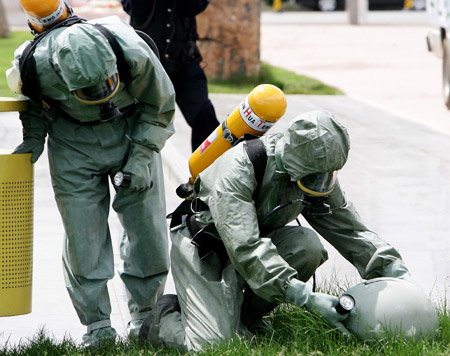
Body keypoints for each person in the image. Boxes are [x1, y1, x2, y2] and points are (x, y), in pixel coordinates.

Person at [138, 110, 413, 351]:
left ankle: (247, 317)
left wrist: (396, 274)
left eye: (328, 175)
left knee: (307, 246)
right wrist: (305, 297)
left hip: (253, 244)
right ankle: (162, 320)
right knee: (215, 346)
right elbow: (245, 247)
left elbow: (350, 230)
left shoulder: (314, 171)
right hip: (205, 247)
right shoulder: (239, 170)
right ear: (294, 164)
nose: (323, 182)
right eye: (317, 176)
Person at [7, 0, 176, 344]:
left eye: (108, 83)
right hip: (72, 144)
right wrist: (34, 138)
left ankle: (144, 316)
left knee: (147, 229)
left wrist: (142, 156)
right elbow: (36, 106)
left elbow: (160, 104)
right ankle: (97, 326)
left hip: (132, 132)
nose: (102, 95)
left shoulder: (128, 46)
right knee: (83, 238)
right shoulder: (31, 64)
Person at [121, 0, 220, 151]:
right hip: (146, 64)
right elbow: (135, 9)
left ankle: (208, 168)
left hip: (184, 61)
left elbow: (195, 6)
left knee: (203, 111)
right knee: (134, 120)